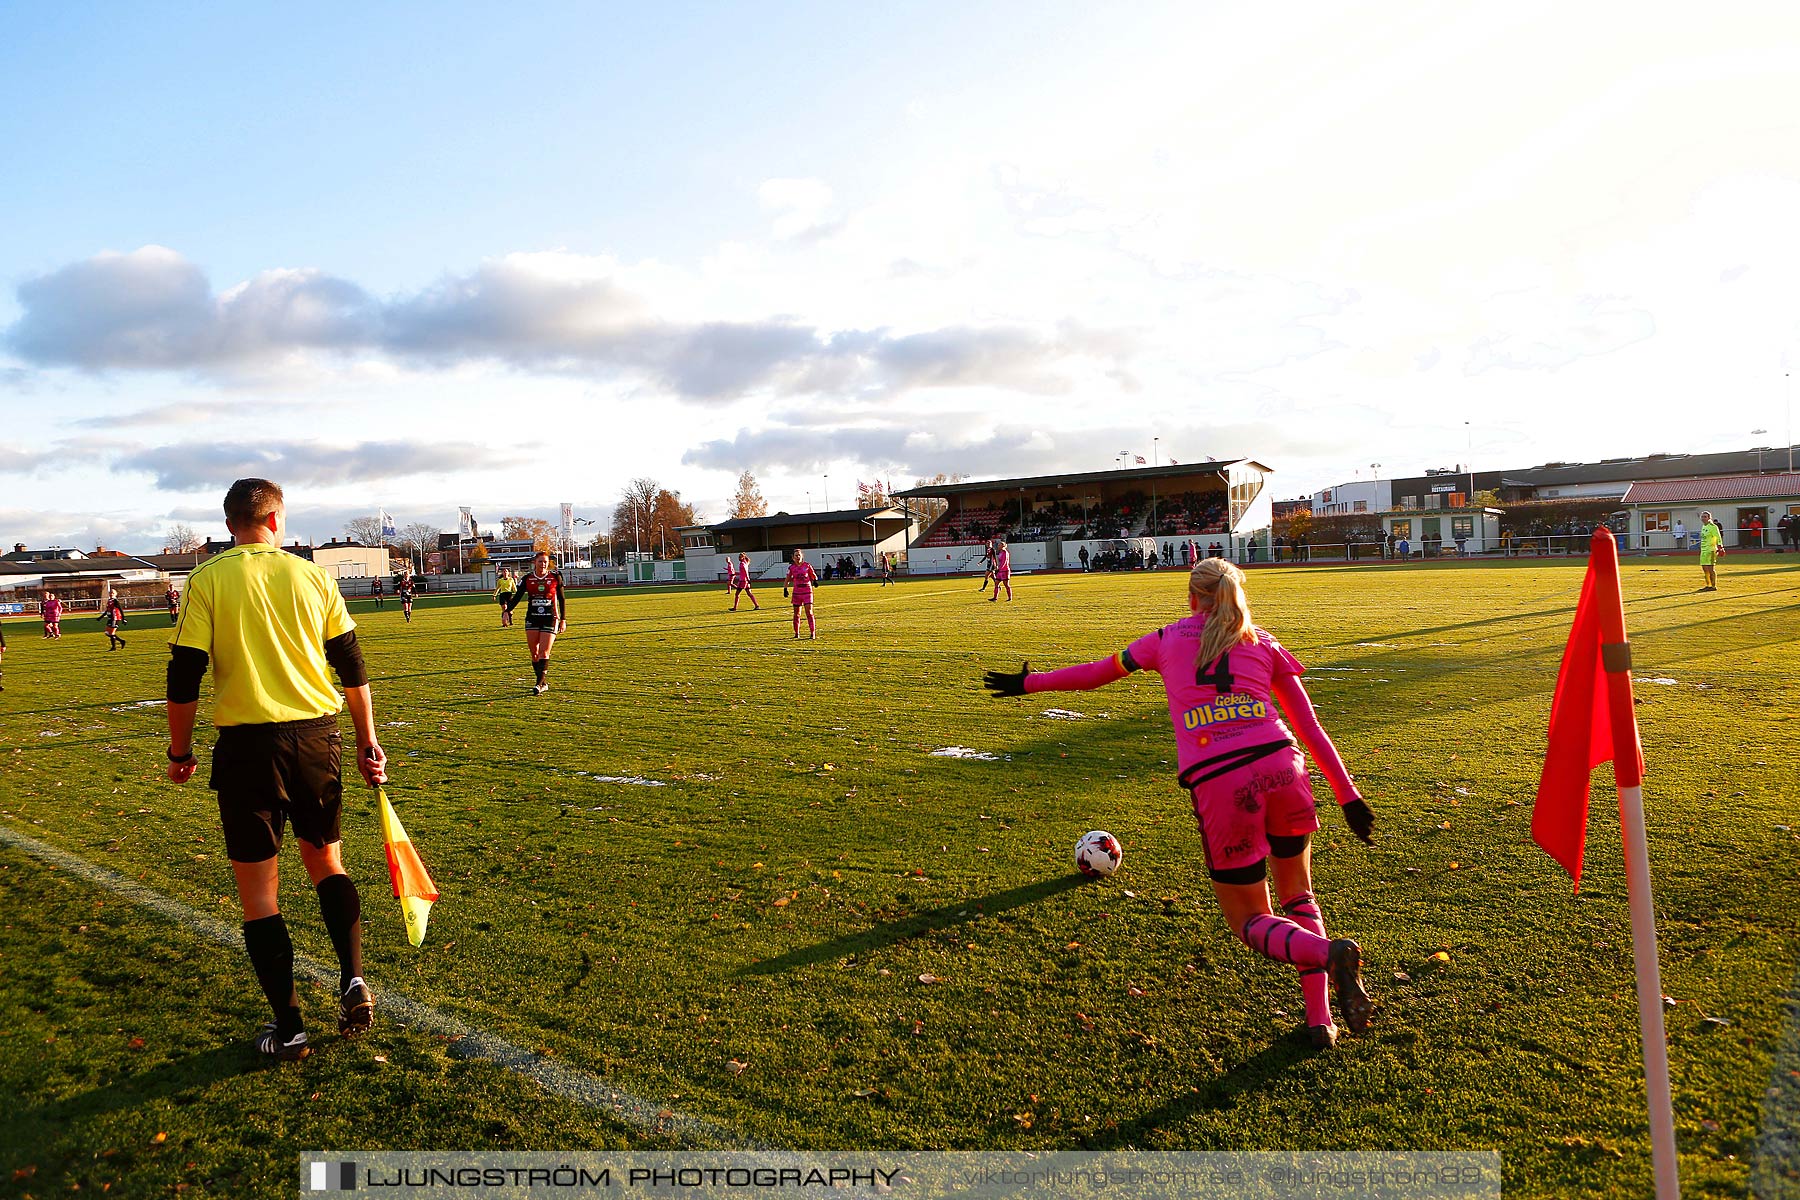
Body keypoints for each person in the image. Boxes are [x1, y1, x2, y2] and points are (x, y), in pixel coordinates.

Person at [983, 558, 1375, 1047]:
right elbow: (1310, 727)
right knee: (1298, 895)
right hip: (1283, 767)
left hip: (1225, 782)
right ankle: (1320, 1021)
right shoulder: (1263, 641)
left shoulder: (1165, 639)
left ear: (1192, 597)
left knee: (1251, 921)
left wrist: (1029, 682)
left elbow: (1097, 674)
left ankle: (1328, 956)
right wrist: (1348, 796)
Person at [163, 477, 387, 1062]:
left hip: (247, 749)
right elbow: (353, 667)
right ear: (275, 521)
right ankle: (354, 979)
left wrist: (179, 753)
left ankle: (290, 1029)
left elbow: (184, 675)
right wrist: (367, 742)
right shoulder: (314, 576)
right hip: (318, 738)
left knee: (260, 896)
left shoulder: (206, 579)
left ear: (230, 522)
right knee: (327, 862)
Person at [505, 552, 567, 693]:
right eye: (540, 561)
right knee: (534, 653)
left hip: (549, 618)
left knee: (544, 653)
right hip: (532, 618)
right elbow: (517, 597)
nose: (543, 564)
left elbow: (562, 599)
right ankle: (543, 682)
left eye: (545, 562)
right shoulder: (528, 578)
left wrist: (563, 619)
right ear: (535, 562)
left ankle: (538, 684)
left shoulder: (555, 577)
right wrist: (507, 611)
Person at [784, 548, 819, 639]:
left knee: (809, 612)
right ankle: (796, 633)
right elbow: (787, 579)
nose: (798, 557)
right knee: (796, 614)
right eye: (796, 555)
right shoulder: (791, 568)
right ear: (793, 558)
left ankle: (812, 633)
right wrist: (785, 589)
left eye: (799, 555)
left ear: (802, 556)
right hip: (796, 593)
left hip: (807, 591)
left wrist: (815, 581)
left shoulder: (807, 566)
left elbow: (813, 575)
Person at [1698, 510, 1724, 592]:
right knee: (1704, 569)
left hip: (1711, 550)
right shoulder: (1703, 527)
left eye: (1705, 517)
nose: (1703, 518)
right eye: (1702, 517)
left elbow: (1718, 537)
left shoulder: (1713, 527)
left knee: (1710, 568)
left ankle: (1713, 586)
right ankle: (1708, 585)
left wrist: (1720, 547)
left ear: (1709, 518)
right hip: (1704, 550)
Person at [990, 538, 1013, 603]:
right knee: (996, 583)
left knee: (1006, 585)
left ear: (1003, 546)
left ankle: (1009, 598)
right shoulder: (1000, 552)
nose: (998, 546)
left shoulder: (1005, 552)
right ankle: (995, 598)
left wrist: (1000, 569)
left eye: (999, 545)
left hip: (1005, 570)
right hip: (1000, 571)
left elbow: (1004, 562)